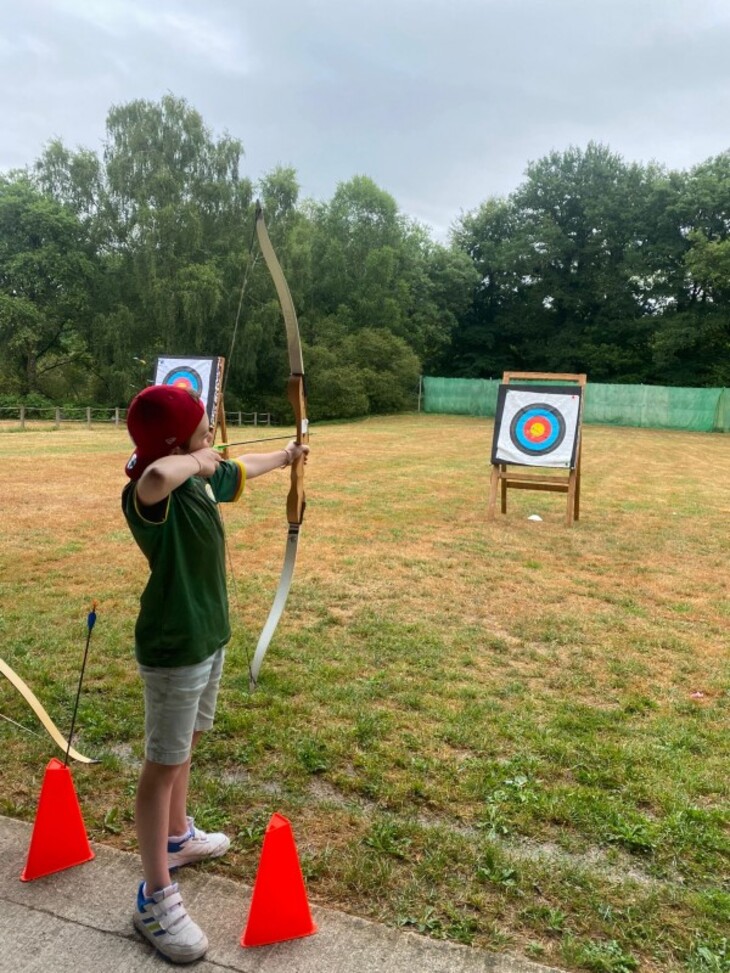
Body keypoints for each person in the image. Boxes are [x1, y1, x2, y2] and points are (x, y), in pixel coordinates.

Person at [121, 384, 308, 964]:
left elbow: (239, 466)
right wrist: (194, 460)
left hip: (208, 636)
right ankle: (155, 896)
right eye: (204, 431)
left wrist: (287, 455)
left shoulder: (199, 478)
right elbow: (151, 481)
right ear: (177, 444)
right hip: (175, 645)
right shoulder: (153, 494)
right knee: (163, 763)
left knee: (187, 746)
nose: (215, 438)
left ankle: (178, 838)